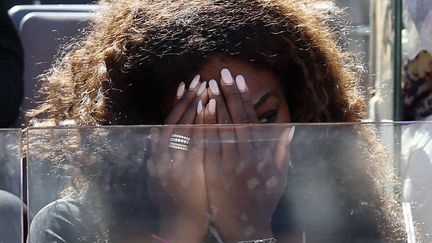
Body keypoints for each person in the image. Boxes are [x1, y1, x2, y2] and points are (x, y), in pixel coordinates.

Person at [27, 0, 407, 242]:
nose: (239, 149)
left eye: (265, 117)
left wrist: (250, 230)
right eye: (199, 126)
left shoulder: (342, 214)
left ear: (301, 110)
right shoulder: (72, 226)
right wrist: (180, 228)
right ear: (147, 129)